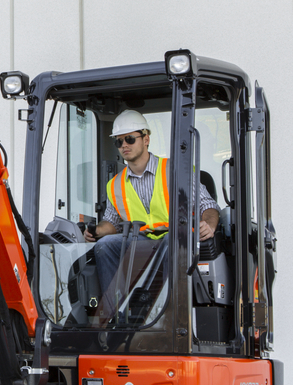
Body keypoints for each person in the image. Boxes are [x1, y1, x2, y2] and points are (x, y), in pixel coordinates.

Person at [84, 109, 220, 313]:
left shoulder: (175, 171)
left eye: (129, 139)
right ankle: (114, 315)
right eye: (119, 142)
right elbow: (112, 222)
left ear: (146, 139)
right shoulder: (115, 184)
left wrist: (208, 224)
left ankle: (166, 312)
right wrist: (96, 231)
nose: (124, 145)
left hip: (178, 239)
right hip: (141, 242)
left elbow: (207, 205)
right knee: (105, 246)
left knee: (170, 243)